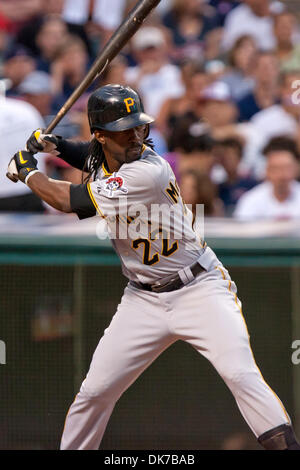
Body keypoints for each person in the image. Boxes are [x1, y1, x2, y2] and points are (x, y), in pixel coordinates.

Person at [8, 84, 300, 450]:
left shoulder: (147, 170)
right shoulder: (108, 155)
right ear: (100, 135)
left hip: (199, 288)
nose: (135, 135)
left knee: (242, 375)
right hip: (142, 299)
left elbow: (70, 200)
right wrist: (56, 146)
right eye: (124, 129)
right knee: (95, 391)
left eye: (139, 126)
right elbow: (91, 156)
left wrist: (28, 173)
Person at [234, 136, 300, 220]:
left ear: (296, 169)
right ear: (267, 171)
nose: (283, 175)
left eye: (287, 168)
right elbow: (242, 229)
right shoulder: (251, 200)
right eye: (276, 169)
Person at [0, 95, 46, 212]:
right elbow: (43, 153)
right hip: (31, 191)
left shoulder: (27, 110)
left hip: (28, 190)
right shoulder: (27, 110)